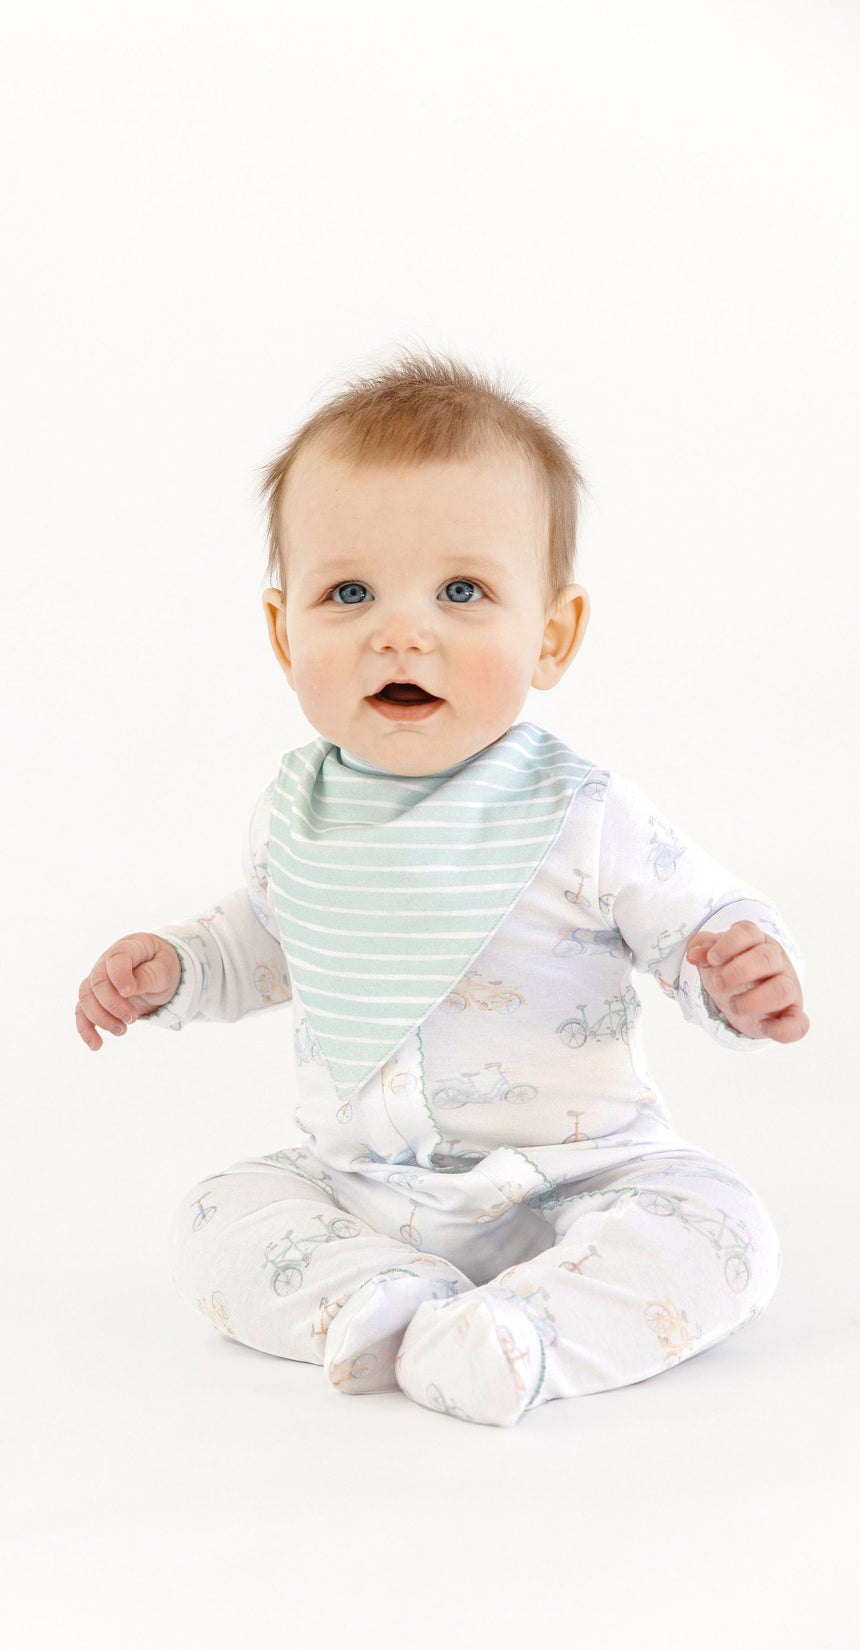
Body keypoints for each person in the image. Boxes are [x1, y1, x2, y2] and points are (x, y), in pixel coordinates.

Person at [74, 350, 808, 1427]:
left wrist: (734, 966)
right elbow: (273, 941)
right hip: (365, 1188)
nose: (400, 630)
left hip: (582, 1179)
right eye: (348, 591)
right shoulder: (297, 812)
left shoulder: (582, 811)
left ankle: (527, 1336)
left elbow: (692, 919)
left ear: (549, 635)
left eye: (461, 591)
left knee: (722, 1227)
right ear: (284, 635)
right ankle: (382, 1300)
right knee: (215, 1214)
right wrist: (177, 967)